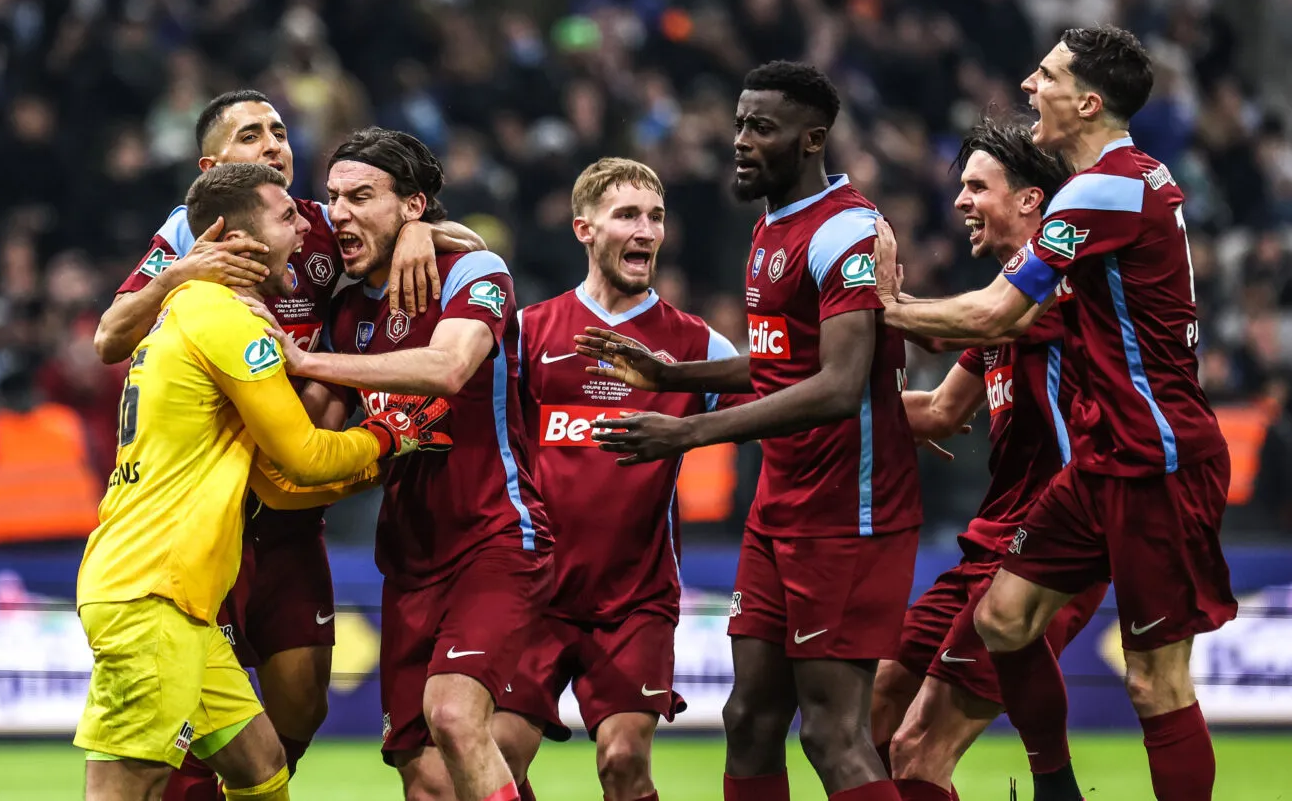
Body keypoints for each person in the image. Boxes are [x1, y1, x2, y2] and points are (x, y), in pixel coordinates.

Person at [872, 26, 1237, 801]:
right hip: (1101, 460)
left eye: (1046, 75)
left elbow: (997, 314)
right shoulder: (1112, 188)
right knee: (1004, 618)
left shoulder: (1110, 185)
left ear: (1088, 101)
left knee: (1155, 683)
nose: (1031, 86)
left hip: (1157, 457)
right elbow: (958, 377)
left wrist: (879, 308)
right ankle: (1057, 788)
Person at [91, 90, 483, 798]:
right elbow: (108, 336)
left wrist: (423, 231)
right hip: (212, 515)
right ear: (215, 170)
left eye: (278, 129)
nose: (275, 143)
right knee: (163, 751)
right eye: (251, 135)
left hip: (289, 513)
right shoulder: (192, 241)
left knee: (294, 715)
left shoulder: (318, 228)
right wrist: (179, 275)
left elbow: (458, 248)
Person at [580, 61, 922, 801]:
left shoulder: (847, 231)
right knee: (750, 719)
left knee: (833, 733)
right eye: (739, 122)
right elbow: (778, 363)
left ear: (812, 139)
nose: (739, 140)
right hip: (783, 504)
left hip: (848, 514)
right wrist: (673, 376)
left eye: (760, 127)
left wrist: (689, 432)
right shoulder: (773, 223)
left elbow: (837, 385)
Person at [263, 128, 552, 801]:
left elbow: (449, 367)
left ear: (413, 205)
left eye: (361, 196)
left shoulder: (476, 274)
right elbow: (325, 435)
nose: (339, 212)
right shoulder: (346, 305)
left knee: (455, 717)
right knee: (423, 778)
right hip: (410, 556)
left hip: (496, 537)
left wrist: (307, 360)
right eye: (333, 197)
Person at [867, 118, 1108, 801]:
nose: (961, 202)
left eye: (977, 186)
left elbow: (985, 318)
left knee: (917, 749)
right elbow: (942, 411)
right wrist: (802, 405)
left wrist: (877, 308)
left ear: (1031, 200)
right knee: (881, 698)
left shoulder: (1060, 286)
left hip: (1051, 549)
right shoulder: (1005, 306)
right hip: (989, 543)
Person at [493, 157, 739, 801]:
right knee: (495, 760)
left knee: (623, 760)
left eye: (656, 217)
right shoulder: (529, 335)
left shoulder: (695, 346)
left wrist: (893, 413)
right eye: (628, 215)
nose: (647, 230)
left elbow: (791, 403)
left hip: (635, 598)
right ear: (584, 229)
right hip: (535, 592)